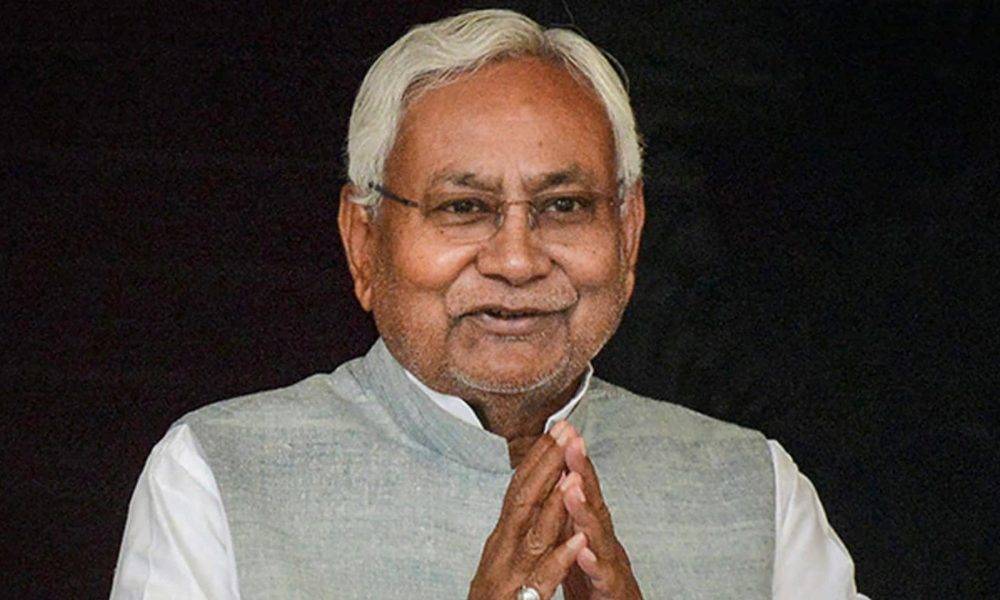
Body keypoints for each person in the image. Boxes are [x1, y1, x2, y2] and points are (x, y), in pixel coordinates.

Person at [111, 9, 865, 599]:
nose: (516, 260)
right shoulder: (219, 477)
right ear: (363, 242)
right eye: (463, 208)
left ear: (629, 234)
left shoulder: (752, 489)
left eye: (564, 206)